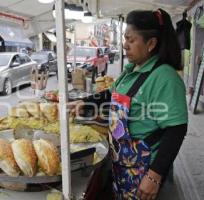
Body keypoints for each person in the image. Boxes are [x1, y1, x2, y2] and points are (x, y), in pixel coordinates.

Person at [69, 8, 188, 200]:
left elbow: (177, 129)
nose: (125, 45)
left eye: (131, 40)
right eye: (125, 39)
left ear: (151, 43)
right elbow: (111, 94)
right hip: (123, 162)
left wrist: (155, 176)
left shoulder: (164, 77)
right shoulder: (131, 70)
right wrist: (85, 102)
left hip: (145, 168)